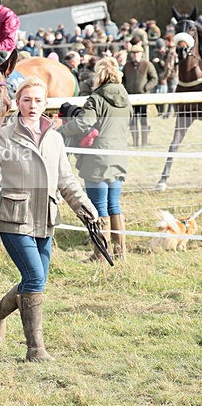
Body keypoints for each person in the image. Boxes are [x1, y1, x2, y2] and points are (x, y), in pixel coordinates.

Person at [0, 75, 99, 362]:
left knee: (35, 280)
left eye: (38, 100)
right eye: (26, 100)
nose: (32, 105)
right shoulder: (2, 135)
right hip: (14, 218)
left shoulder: (55, 138)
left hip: (45, 218)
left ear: (45, 103)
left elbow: (66, 179)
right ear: (17, 103)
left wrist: (84, 206)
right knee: (35, 278)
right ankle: (35, 349)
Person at [58, 57, 133, 260]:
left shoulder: (96, 99)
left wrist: (61, 131)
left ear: (98, 75)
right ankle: (120, 252)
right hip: (119, 157)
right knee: (114, 204)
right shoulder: (126, 99)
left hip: (97, 159)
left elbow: (84, 122)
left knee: (98, 206)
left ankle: (100, 254)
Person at [122, 43, 158, 146]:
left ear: (141, 54)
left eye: (137, 53)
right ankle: (135, 142)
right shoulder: (127, 66)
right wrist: (125, 89)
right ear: (131, 55)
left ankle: (144, 142)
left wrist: (146, 88)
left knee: (143, 121)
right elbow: (122, 80)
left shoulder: (147, 64)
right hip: (131, 98)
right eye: (133, 53)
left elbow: (154, 78)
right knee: (132, 121)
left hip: (143, 98)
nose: (135, 55)